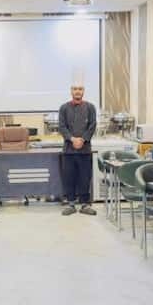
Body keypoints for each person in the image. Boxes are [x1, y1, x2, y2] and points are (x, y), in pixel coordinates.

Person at [58, 82, 97, 216]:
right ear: (71, 91)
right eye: (75, 89)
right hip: (69, 150)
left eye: (80, 89)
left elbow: (92, 125)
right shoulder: (64, 108)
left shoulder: (90, 107)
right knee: (69, 177)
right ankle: (71, 204)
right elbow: (62, 126)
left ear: (83, 91)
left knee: (84, 177)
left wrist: (83, 139)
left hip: (85, 150)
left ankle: (85, 204)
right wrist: (72, 139)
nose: (77, 91)